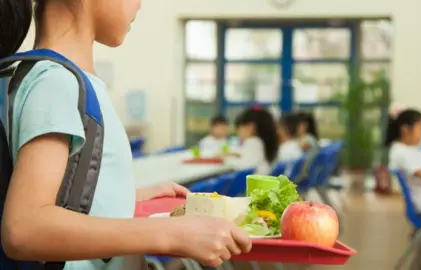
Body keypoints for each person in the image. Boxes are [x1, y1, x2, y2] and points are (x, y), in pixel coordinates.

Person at [0, 1, 251, 269]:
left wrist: (122, 199)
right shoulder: (56, 83)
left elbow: (63, 198)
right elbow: (25, 229)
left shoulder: (64, 78)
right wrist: (173, 234)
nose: (139, 4)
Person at [231, 107, 279, 174]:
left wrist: (225, 160)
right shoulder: (266, 142)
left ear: (251, 127)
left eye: (239, 128)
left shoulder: (253, 141)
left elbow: (246, 167)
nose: (238, 132)